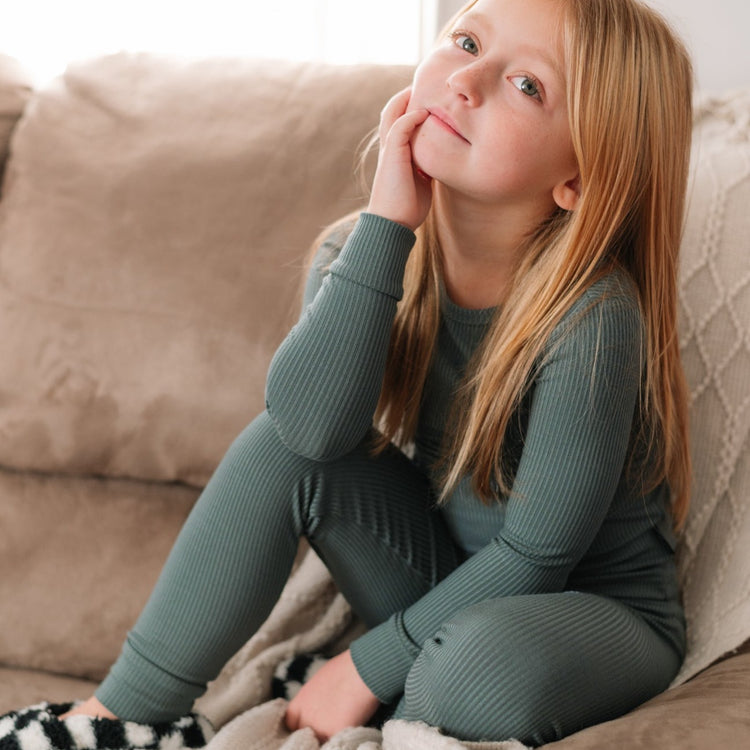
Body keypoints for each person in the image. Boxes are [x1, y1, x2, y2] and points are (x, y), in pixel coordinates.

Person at [11, 0, 694, 745]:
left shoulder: (594, 316)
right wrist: (386, 226)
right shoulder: (363, 251)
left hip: (587, 613)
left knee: (468, 671)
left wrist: (364, 666)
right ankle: (114, 721)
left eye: (527, 85)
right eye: (467, 41)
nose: (465, 80)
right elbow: (308, 434)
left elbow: (539, 556)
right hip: (445, 581)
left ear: (580, 177)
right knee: (280, 447)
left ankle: (408, 691)